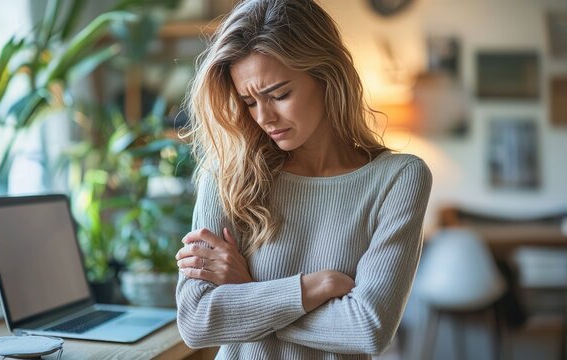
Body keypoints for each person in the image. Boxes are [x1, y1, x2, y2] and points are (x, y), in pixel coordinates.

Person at [175, 0, 432, 358]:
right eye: (249, 102)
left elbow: (368, 327)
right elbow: (196, 321)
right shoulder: (227, 176)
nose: (264, 117)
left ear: (327, 77)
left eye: (279, 95)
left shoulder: (398, 179)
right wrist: (312, 288)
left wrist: (246, 288)